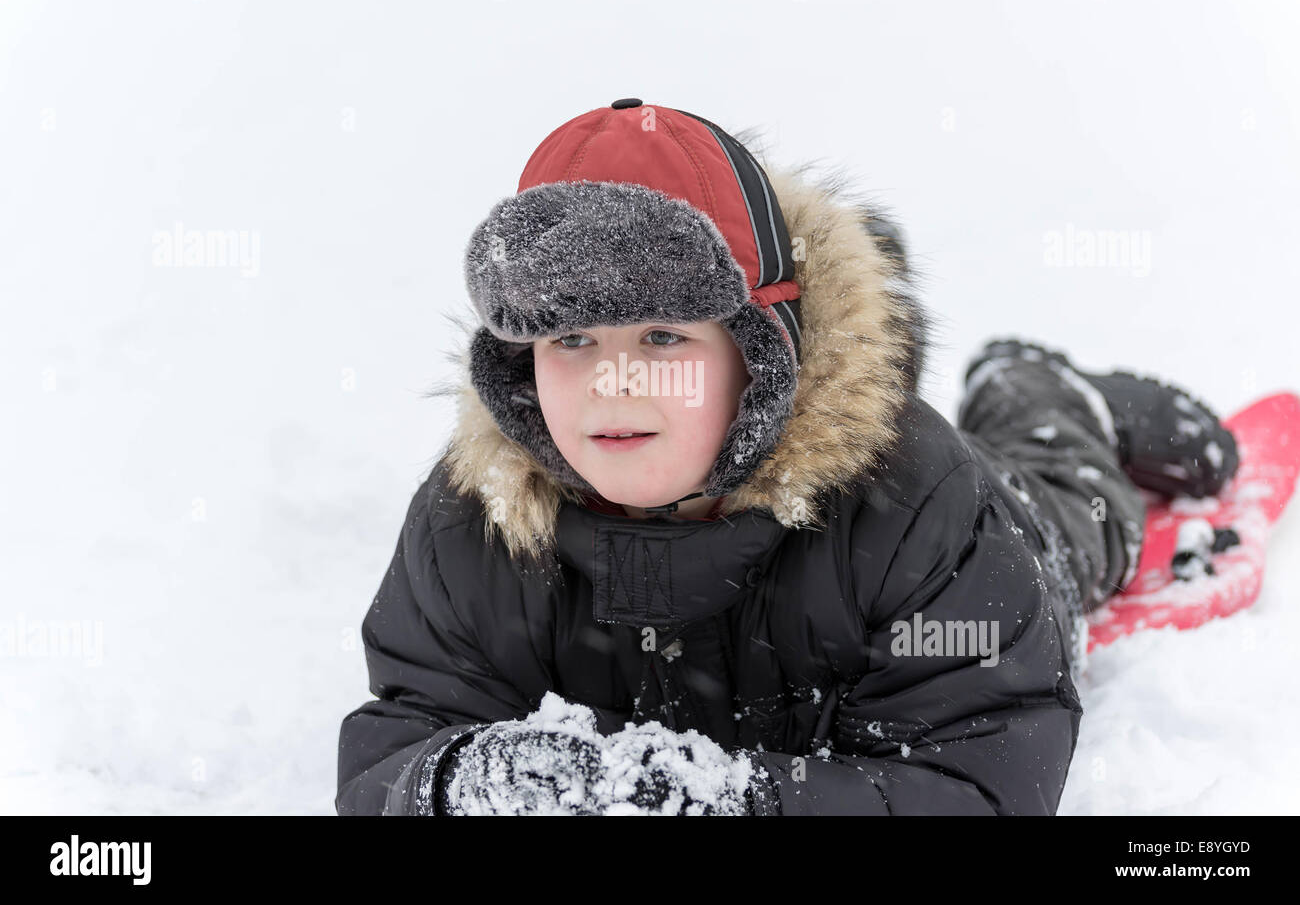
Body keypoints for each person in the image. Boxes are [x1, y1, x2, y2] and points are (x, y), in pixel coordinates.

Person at [335, 99, 1239, 816]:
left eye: (661, 335)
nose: (611, 380)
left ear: (760, 352)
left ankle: (1046, 395)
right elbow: (397, 740)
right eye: (571, 337)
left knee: (1075, 508)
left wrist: (712, 803)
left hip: (1011, 519)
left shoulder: (916, 500)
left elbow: (976, 773)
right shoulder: (477, 519)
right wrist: (459, 783)